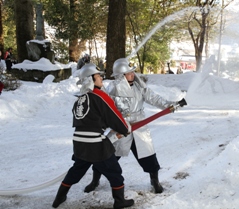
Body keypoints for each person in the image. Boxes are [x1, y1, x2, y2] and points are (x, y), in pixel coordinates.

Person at [84, 58, 186, 194]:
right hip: (120, 126)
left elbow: (155, 99)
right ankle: (95, 180)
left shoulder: (139, 87)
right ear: (121, 75)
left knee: (148, 155)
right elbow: (106, 107)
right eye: (128, 73)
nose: (132, 75)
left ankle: (154, 180)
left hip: (139, 125)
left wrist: (170, 105)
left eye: (132, 72)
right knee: (105, 155)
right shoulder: (112, 88)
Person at [52, 63, 134, 209]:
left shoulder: (79, 99)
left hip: (79, 142)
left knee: (76, 170)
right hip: (95, 144)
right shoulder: (99, 96)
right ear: (90, 79)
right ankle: (120, 201)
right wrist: (124, 128)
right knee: (114, 171)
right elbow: (113, 115)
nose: (101, 78)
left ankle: (59, 197)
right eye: (98, 76)